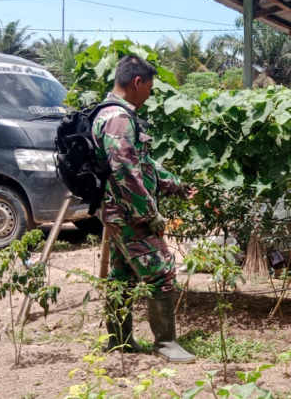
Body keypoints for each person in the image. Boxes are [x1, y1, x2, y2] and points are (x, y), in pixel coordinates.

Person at [92, 55, 196, 363]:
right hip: (128, 213)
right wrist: (150, 214)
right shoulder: (118, 118)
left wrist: (175, 184)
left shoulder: (109, 114)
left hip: (116, 210)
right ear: (137, 82)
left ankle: (119, 339)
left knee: (122, 274)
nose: (149, 96)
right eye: (149, 89)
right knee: (161, 270)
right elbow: (125, 170)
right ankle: (165, 343)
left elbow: (143, 163)